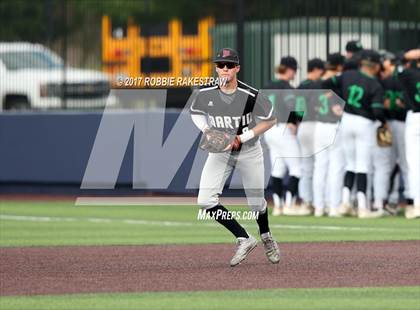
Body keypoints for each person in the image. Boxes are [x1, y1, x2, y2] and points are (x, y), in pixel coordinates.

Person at [189, 47, 281, 266]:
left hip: (248, 151)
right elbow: (195, 113)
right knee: (205, 201)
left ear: (237, 68)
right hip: (221, 152)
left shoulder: (250, 95)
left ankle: (266, 236)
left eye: (229, 65)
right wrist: (206, 130)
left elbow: (271, 120)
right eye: (220, 65)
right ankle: (244, 238)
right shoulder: (205, 93)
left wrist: (244, 135)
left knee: (257, 203)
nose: (224, 69)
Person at [322, 49, 387, 218]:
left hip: (346, 120)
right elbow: (378, 111)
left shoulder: (348, 75)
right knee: (363, 166)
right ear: (376, 66)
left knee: (350, 164)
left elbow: (325, 83)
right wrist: (384, 122)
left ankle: (345, 203)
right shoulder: (375, 85)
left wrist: (333, 101)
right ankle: (363, 207)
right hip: (364, 123)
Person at [264, 56, 311, 216]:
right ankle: (289, 204)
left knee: (277, 170)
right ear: (290, 69)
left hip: (269, 129)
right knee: (297, 169)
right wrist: (294, 122)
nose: (295, 73)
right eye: (295, 70)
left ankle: (278, 206)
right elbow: (296, 106)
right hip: (283, 128)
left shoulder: (268, 85)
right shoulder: (288, 87)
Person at [372, 50, 408, 216]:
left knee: (387, 163)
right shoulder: (403, 80)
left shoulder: (382, 81)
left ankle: (388, 199)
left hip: (385, 124)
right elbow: (403, 103)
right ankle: (404, 199)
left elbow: (385, 103)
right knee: (403, 163)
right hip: (399, 124)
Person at [312, 53, 346, 217]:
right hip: (333, 126)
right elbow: (338, 109)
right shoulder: (337, 82)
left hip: (319, 126)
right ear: (339, 66)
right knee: (336, 168)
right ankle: (334, 207)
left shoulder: (318, 82)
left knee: (320, 168)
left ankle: (319, 207)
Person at [296, 58, 326, 213]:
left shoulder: (301, 85)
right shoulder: (318, 85)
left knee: (305, 167)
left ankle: (306, 202)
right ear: (317, 69)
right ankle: (319, 202)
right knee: (320, 166)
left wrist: (294, 125)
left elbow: (296, 109)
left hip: (302, 127)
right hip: (316, 125)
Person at [398, 49, 420, 219]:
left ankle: (417, 205)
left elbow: (399, 62)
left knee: (414, 163)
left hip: (414, 117)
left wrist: (409, 55)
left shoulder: (408, 74)